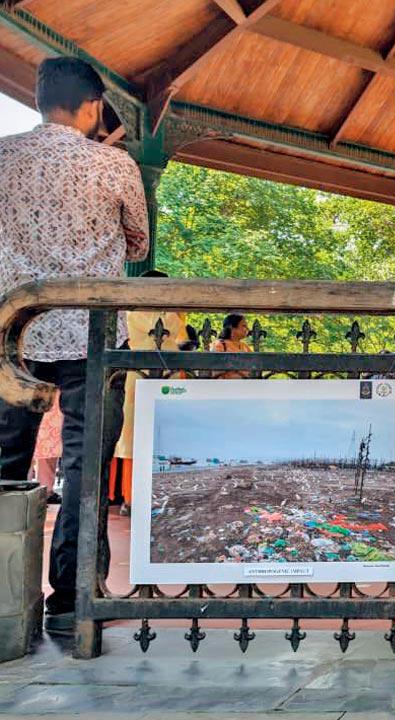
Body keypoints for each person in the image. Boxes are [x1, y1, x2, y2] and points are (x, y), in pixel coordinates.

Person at [0, 57, 147, 636]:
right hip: (90, 337)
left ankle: (6, 600)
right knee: (87, 469)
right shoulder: (113, 165)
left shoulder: (2, 156)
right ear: (92, 105)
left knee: (7, 467)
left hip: (14, 335)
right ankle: (73, 599)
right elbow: (137, 244)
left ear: (39, 100)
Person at [112, 270, 193, 516]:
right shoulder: (142, 311)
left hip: (160, 372)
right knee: (136, 435)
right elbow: (175, 334)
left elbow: (181, 337)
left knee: (160, 433)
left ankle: (151, 494)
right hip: (144, 372)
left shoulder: (156, 310)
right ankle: (132, 496)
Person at [210, 313, 252, 379]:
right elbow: (216, 371)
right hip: (224, 386)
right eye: (244, 326)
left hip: (244, 385)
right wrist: (239, 369)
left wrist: (233, 366)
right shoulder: (219, 344)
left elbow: (252, 370)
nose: (247, 329)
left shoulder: (245, 346)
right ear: (232, 327)